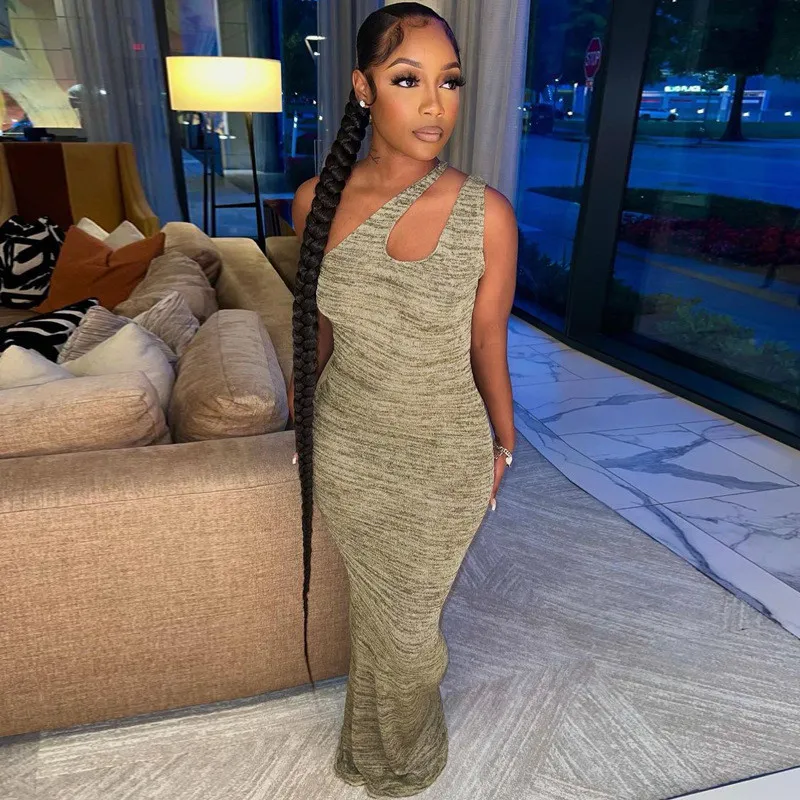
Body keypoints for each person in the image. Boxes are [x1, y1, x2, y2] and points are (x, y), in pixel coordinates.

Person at [288, 3, 517, 796]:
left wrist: (504, 444)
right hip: (347, 447)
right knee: (380, 612)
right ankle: (374, 746)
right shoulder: (315, 200)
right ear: (363, 88)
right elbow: (315, 329)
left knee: (412, 627)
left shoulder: (486, 214)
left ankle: (404, 759)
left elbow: (487, 341)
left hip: (446, 453)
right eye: (407, 79)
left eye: (449, 82)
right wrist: (301, 425)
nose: (434, 105)